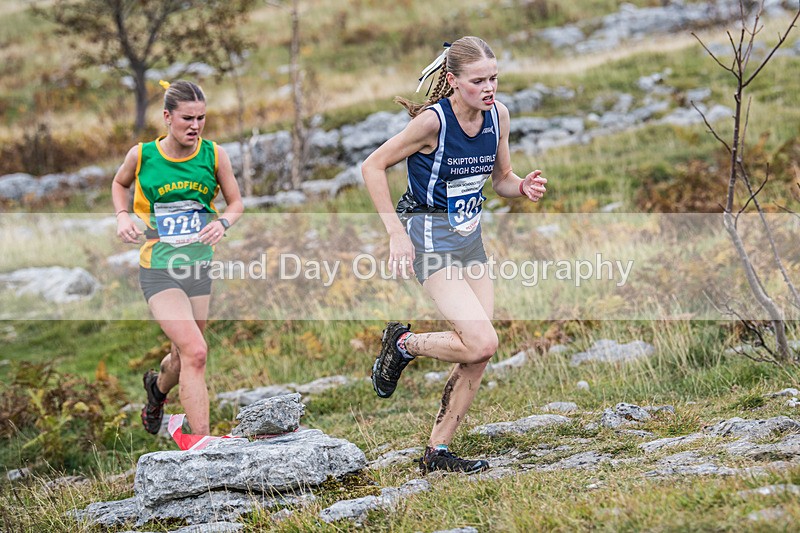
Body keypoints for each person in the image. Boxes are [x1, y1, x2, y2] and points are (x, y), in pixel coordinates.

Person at [362, 37, 547, 474]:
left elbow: (500, 177)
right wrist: (395, 233)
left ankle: (438, 453)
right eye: (478, 81)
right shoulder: (433, 123)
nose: (489, 89)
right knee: (482, 340)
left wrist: (520, 186)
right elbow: (372, 166)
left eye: (494, 78)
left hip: (469, 240)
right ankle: (404, 345)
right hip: (427, 239)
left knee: (477, 352)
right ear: (453, 81)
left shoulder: (497, 116)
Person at [111, 80, 243, 436]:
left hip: (198, 268)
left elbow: (236, 203)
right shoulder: (143, 156)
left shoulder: (214, 155)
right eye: (187, 118)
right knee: (197, 353)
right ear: (167, 117)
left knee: (182, 357)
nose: (195, 126)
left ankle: (156, 390)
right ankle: (200, 446)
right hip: (159, 270)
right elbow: (119, 184)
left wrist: (223, 223)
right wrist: (123, 216)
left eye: (201, 118)